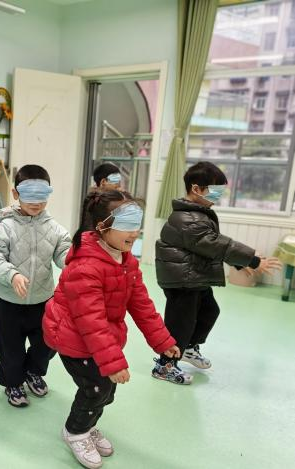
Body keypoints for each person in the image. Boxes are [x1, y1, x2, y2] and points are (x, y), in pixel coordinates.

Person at [43, 190, 179, 469]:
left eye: (137, 223)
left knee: (107, 391)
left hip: (100, 340)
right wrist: (113, 362)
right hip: (73, 338)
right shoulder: (86, 267)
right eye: (127, 225)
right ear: (102, 226)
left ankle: (89, 423)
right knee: (96, 389)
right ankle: (75, 431)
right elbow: (90, 320)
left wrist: (162, 341)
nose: (135, 232)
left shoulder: (126, 260)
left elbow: (141, 304)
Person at [153, 161, 281, 384]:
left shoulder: (198, 214)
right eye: (215, 190)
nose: (218, 196)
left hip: (194, 276)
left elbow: (211, 247)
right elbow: (217, 245)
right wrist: (251, 260)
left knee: (209, 311)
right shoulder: (187, 219)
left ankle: (189, 348)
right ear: (196, 188)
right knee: (180, 324)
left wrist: (240, 264)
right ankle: (165, 365)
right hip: (182, 280)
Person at [0, 164, 71, 407]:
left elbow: (64, 251)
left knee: (47, 344)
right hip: (10, 302)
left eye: (42, 197)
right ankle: (13, 383)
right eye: (30, 196)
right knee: (10, 349)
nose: (36, 203)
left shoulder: (53, 228)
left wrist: (73, 262)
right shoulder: (5, 227)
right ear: (16, 193)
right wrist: (12, 275)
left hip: (43, 300)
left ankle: (33, 371)